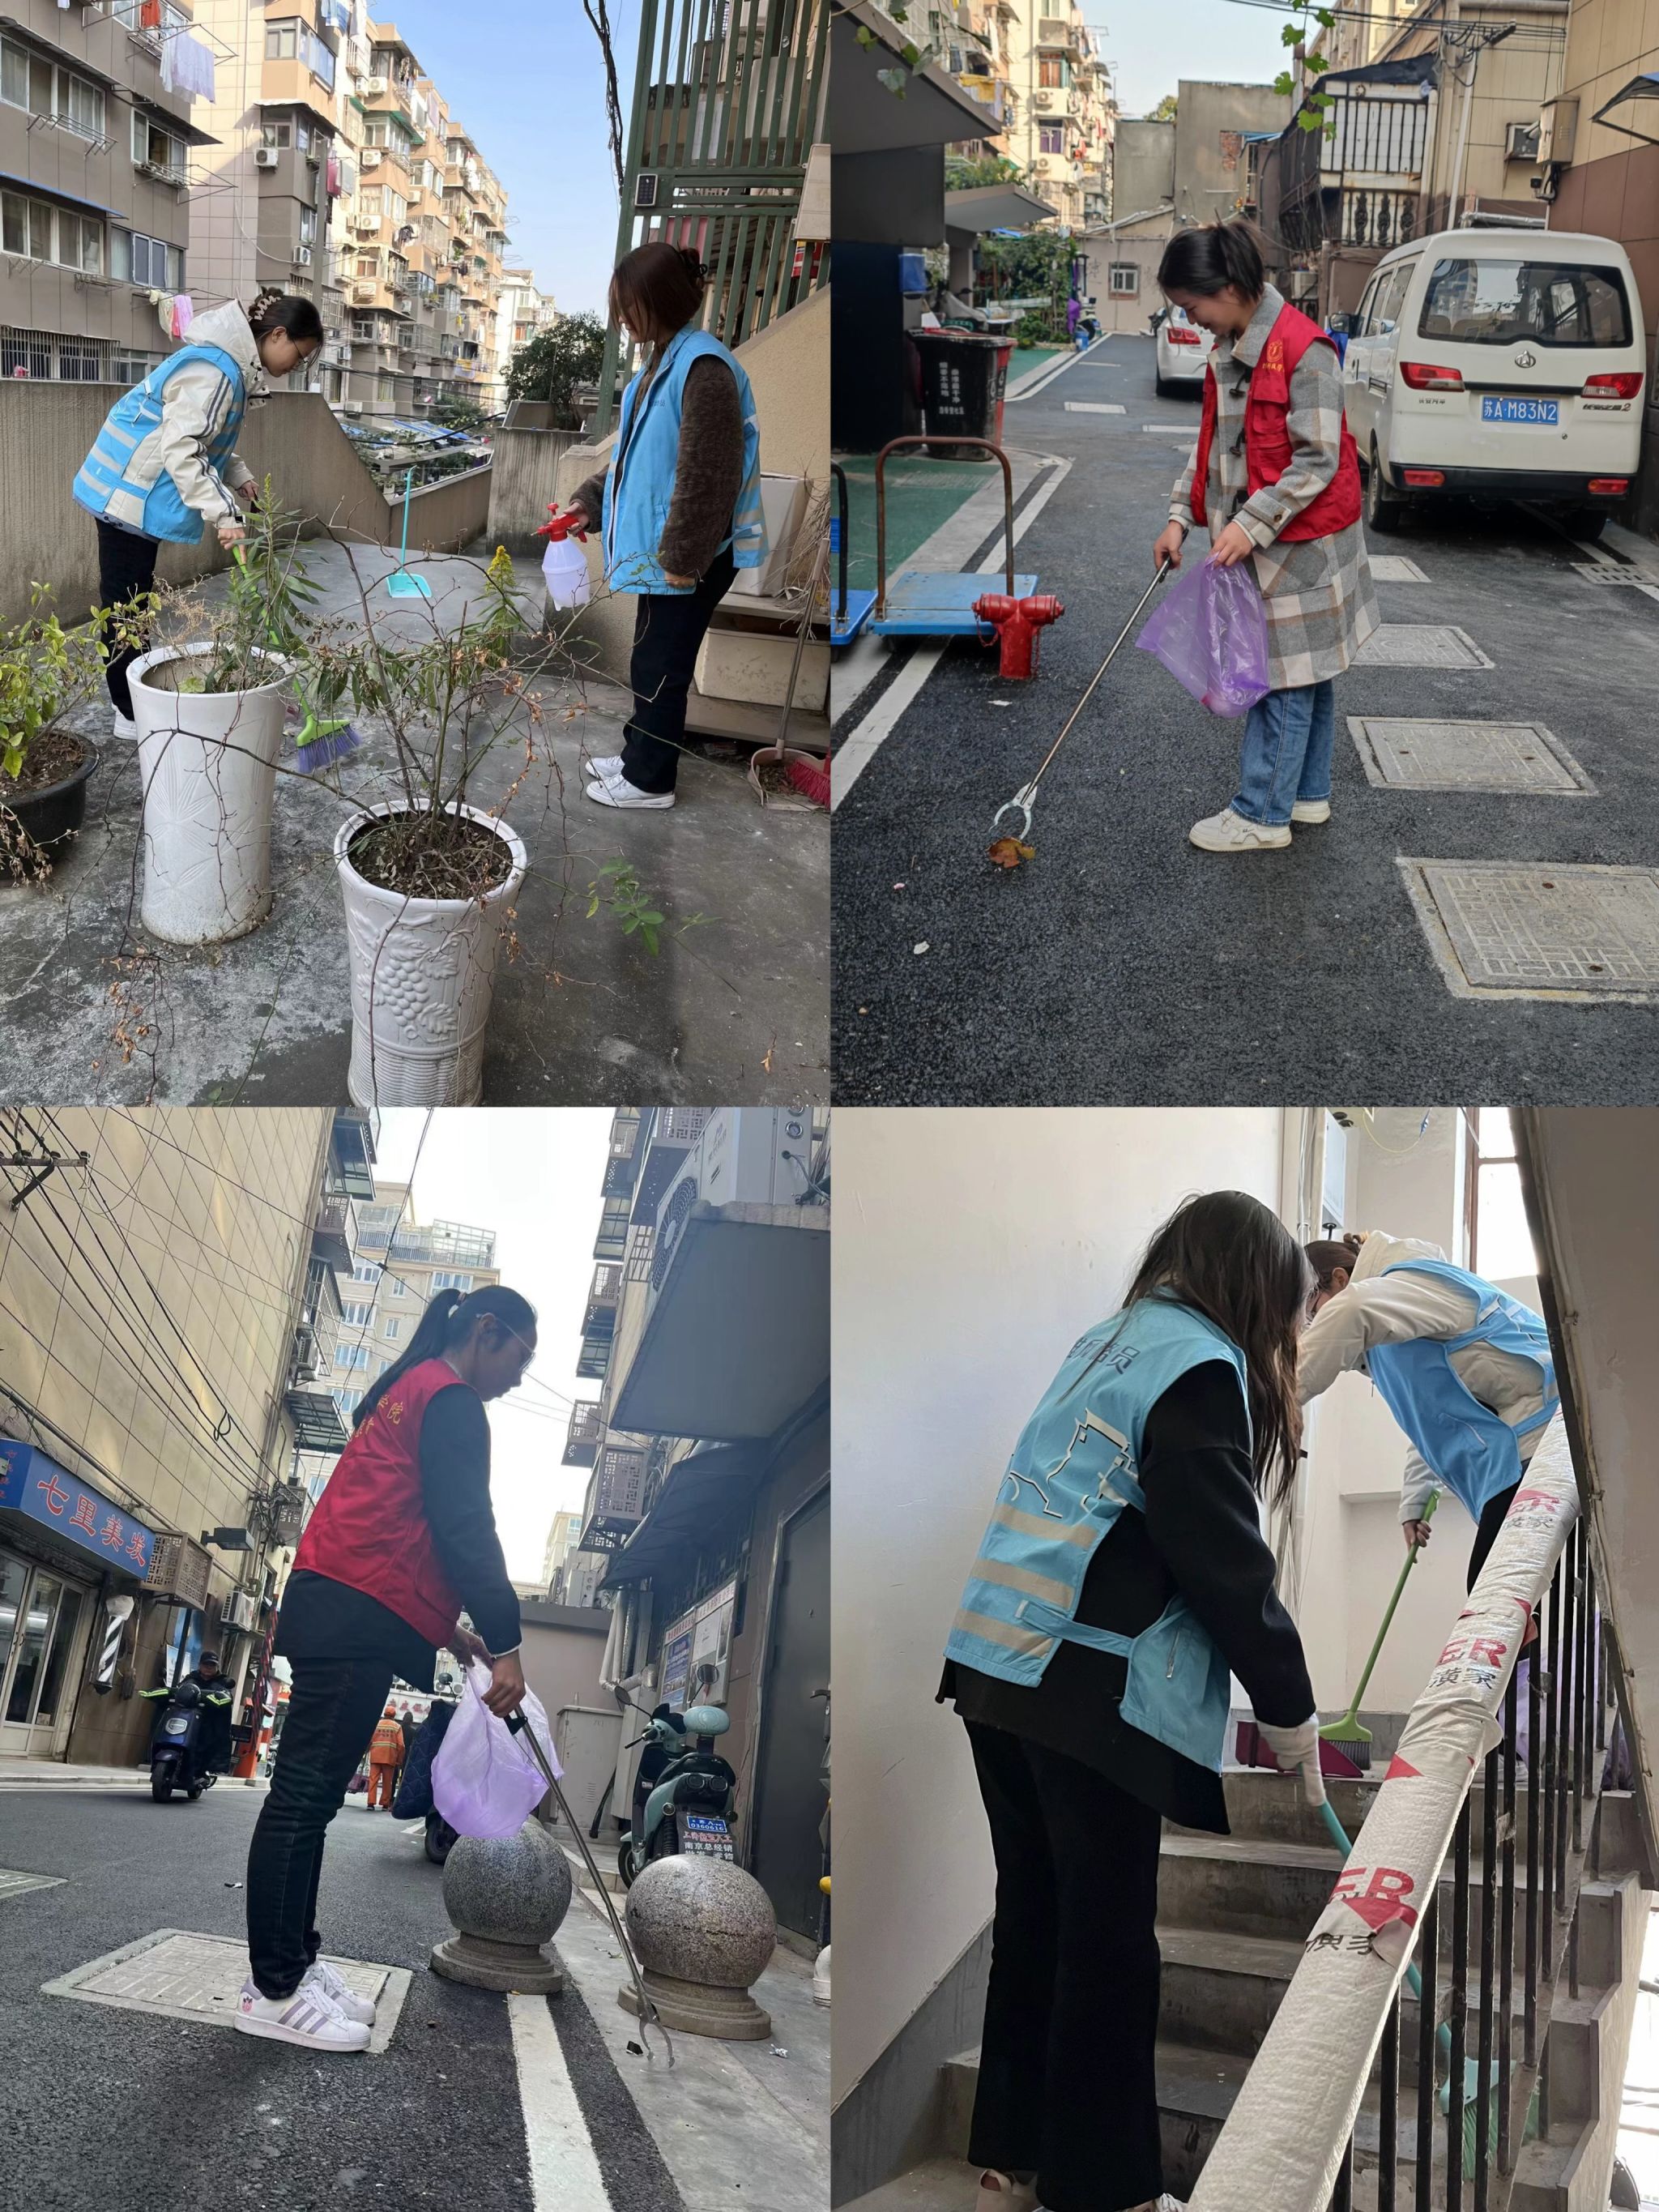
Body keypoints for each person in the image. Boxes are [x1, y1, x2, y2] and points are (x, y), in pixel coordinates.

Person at [938, 1191, 1324, 2212]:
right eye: (1290, 1309)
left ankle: (1011, 2163)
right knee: (1107, 1942)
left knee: (1036, 1919)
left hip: (995, 1664)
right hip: (1085, 1685)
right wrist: (1288, 1709)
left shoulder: (1106, 1342)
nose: (1289, 1333)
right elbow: (1221, 1562)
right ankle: (1103, 2191)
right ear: (1253, 1289)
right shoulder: (1198, 1368)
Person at [236, 1283, 536, 2052]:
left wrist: (458, 1634)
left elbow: (403, 1527)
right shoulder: (451, 1399)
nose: (514, 1380)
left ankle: (294, 1967)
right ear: (487, 1332)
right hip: (352, 1612)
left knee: (309, 1802)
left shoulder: (409, 1388)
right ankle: (272, 1988)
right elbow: (467, 1526)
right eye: (517, 1360)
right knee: (303, 1798)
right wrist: (505, 1640)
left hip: (345, 1602)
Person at [1151, 220, 1380, 854]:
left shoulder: (1306, 353)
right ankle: (1305, 795)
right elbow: (1212, 451)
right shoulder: (1230, 349)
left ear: (1227, 287)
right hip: (1266, 542)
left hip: (1305, 550)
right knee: (1310, 671)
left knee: (1282, 675)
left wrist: (1249, 527)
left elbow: (1318, 461)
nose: (1192, 321)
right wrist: (1180, 516)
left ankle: (1261, 813)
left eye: (1192, 307)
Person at [560, 240, 766, 811]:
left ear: (663, 301)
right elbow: (633, 460)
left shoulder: (704, 368)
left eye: (631, 305)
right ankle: (637, 756)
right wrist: (587, 505)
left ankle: (650, 780)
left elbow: (709, 475)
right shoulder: (663, 361)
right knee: (651, 658)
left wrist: (682, 561)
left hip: (689, 554)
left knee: (662, 665)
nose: (623, 317)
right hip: (669, 551)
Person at [71, 290, 324, 741]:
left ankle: (133, 706)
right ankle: (130, 714)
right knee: (127, 610)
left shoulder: (225, 364)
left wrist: (239, 475)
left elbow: (205, 436)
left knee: (133, 605)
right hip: (126, 496)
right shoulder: (216, 370)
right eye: (299, 356)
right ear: (278, 335)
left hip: (132, 492)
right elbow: (183, 449)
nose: (294, 368)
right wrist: (225, 514)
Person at [1299, 1230, 1558, 1593]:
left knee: (1493, 1596)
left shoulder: (1412, 1280)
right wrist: (1416, 1501)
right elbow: (1438, 1419)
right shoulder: (1387, 1340)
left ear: (1341, 1279)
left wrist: (1272, 1402)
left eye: (1315, 1313)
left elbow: (1353, 1310)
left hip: (1538, 1436)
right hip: (1517, 1452)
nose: (1317, 1326)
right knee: (1503, 1599)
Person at [365, 1705, 403, 1810]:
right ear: (394, 1715)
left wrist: (367, 1752)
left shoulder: (377, 1725)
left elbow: (369, 1740)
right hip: (389, 1757)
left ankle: (370, 1803)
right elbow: (401, 1745)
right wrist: (399, 1760)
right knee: (387, 1782)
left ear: (384, 1714)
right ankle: (385, 1804)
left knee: (373, 1780)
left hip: (375, 1756)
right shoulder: (397, 1727)